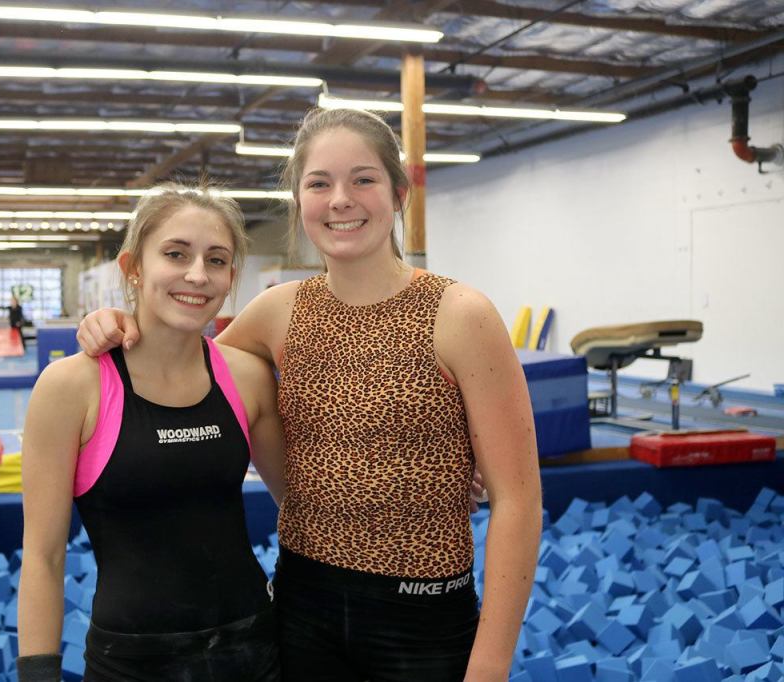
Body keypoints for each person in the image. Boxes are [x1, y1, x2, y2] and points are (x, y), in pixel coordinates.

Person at [76, 108, 543, 682]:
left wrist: (490, 666)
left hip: (421, 608)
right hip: (304, 603)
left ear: (398, 194)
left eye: (363, 179)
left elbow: (519, 501)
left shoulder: (460, 315)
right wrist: (116, 322)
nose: (340, 199)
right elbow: (182, 352)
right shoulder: (280, 311)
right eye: (319, 183)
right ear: (299, 200)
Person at [17, 185, 285, 682]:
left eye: (217, 260)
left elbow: (306, 502)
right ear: (133, 268)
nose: (197, 275)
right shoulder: (72, 387)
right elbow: (44, 555)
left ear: (231, 277)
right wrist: (37, 674)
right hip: (132, 662)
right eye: (175, 254)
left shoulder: (246, 377)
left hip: (253, 648)